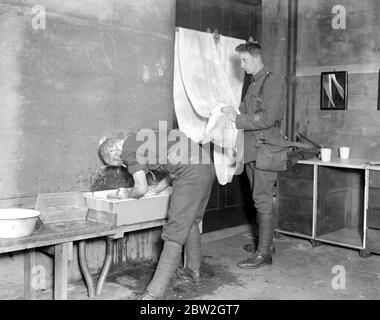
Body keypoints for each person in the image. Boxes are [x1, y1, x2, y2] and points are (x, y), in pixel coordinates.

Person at [98, 129, 215, 299]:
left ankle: (154, 293)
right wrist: (157, 189)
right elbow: (174, 164)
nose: (123, 166)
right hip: (205, 165)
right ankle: (193, 272)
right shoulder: (141, 138)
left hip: (190, 173)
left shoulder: (128, 151)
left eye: (119, 165)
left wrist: (125, 194)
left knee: (173, 234)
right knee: (191, 221)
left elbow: (140, 188)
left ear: (115, 157)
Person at [222, 41, 285, 269]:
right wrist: (232, 113)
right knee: (259, 199)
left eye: (244, 60)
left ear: (256, 58)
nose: (242, 65)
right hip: (253, 149)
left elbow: (267, 118)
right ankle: (265, 245)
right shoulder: (254, 82)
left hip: (266, 150)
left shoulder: (273, 81)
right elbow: (248, 112)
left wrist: (237, 119)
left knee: (263, 200)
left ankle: (263, 254)